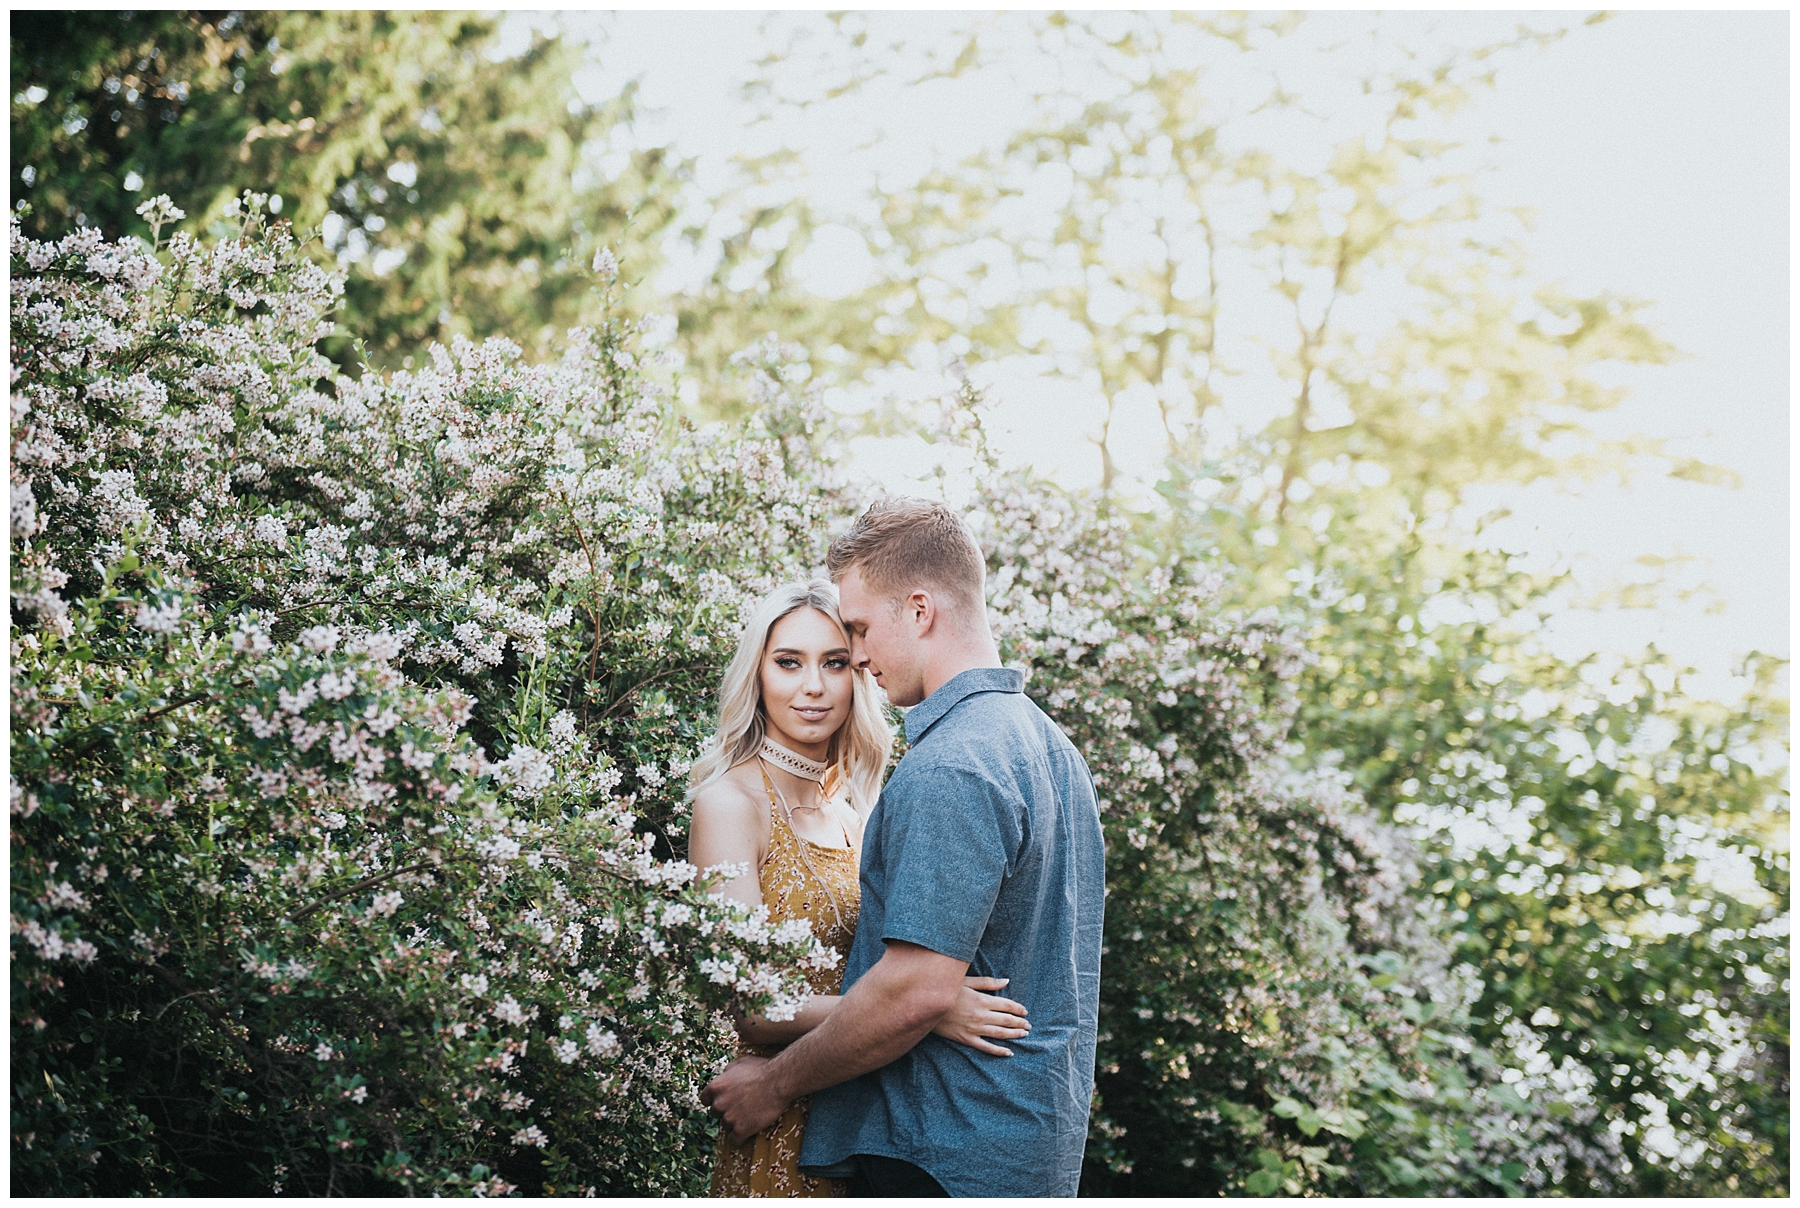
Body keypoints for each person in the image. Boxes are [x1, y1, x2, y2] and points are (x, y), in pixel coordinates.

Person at [702, 500, 1106, 1198]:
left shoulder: (952, 763)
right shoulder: (1050, 747)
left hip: (942, 1149)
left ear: (919, 611)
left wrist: (773, 1084)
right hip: (1010, 1147)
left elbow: (916, 990)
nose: (854, 660)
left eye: (853, 634)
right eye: (793, 660)